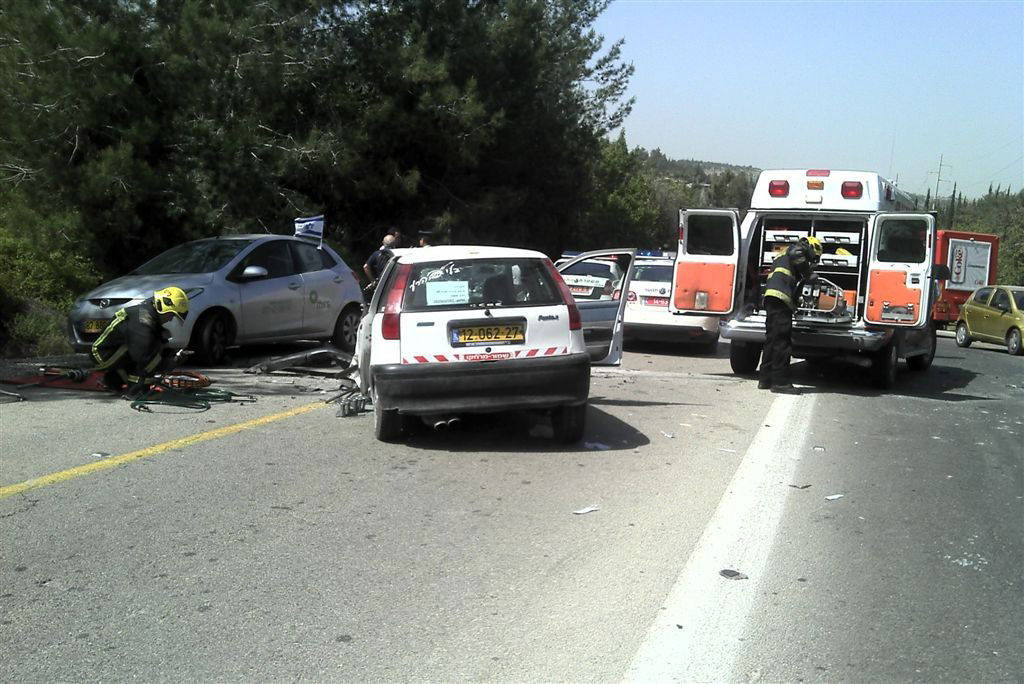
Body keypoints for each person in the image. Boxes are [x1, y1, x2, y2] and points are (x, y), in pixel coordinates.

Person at [91, 286, 189, 397]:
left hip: (118, 350)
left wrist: (171, 355)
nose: (170, 319)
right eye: (171, 314)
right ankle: (136, 389)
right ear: (163, 307)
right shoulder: (142, 321)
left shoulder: (148, 315)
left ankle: (114, 379)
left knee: (152, 352)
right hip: (102, 353)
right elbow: (144, 356)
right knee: (147, 359)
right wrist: (168, 363)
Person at [759, 236, 822, 394]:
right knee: (782, 342)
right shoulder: (796, 249)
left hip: (771, 299)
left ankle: (765, 379)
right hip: (780, 300)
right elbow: (798, 255)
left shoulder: (782, 255)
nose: (812, 261)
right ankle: (780, 383)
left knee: (771, 340)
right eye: (814, 257)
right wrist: (809, 275)